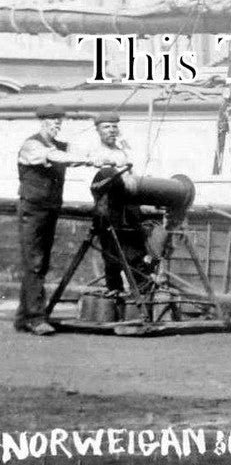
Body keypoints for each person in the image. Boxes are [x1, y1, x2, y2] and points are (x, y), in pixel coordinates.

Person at [15, 105, 111, 335]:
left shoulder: (60, 146)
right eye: (53, 121)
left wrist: (98, 155)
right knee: (35, 262)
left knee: (39, 263)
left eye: (59, 121)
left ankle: (24, 317)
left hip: (50, 209)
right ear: (43, 122)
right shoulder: (32, 145)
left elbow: (73, 156)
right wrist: (87, 160)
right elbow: (56, 157)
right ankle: (36, 318)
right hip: (32, 210)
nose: (57, 125)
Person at [77, 112, 147, 296]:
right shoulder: (94, 154)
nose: (111, 130)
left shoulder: (123, 152)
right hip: (107, 210)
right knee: (111, 256)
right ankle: (114, 295)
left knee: (135, 255)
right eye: (106, 127)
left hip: (129, 209)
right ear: (98, 130)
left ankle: (141, 296)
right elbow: (94, 185)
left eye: (114, 126)